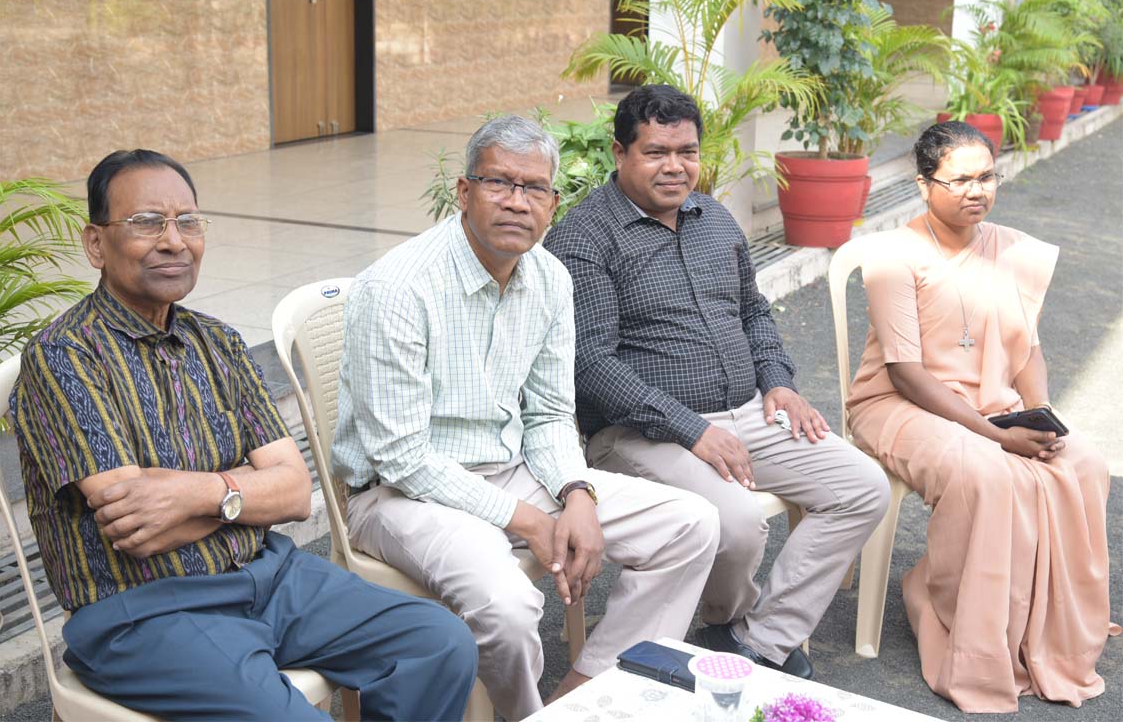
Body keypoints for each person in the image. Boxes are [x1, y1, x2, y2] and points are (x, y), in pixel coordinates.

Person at [10, 150, 478, 721]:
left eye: (188, 221)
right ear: (95, 244)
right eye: (146, 222)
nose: (174, 241)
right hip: (145, 612)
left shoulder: (219, 342)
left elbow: (294, 492)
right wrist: (246, 493)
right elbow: (137, 526)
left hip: (269, 578)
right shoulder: (64, 356)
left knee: (437, 642)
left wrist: (198, 493)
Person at [333, 115, 720, 721]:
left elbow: (549, 414)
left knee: (690, 524)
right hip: (398, 496)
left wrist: (577, 493)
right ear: (464, 192)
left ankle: (581, 698)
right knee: (508, 605)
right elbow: (401, 457)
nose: (517, 202)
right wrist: (529, 520)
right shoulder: (397, 288)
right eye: (499, 183)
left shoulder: (549, 278)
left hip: (512, 471)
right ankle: (524, 713)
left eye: (534, 187)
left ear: (553, 204)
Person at [543, 84, 890, 680]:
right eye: (656, 152)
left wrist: (778, 381)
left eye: (687, 152)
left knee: (862, 485)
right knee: (736, 522)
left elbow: (753, 311)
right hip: (640, 433)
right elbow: (591, 364)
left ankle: (757, 640)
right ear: (620, 153)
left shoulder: (715, 219)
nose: (675, 166)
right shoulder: (584, 238)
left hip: (749, 411)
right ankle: (721, 618)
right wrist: (692, 430)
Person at [846, 121, 1118, 712]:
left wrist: (1037, 416)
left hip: (996, 402)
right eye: (960, 179)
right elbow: (905, 373)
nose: (977, 190)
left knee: (1084, 466)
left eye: (987, 177)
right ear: (924, 184)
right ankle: (950, 612)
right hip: (899, 406)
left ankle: (1042, 629)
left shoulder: (1011, 249)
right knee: (989, 475)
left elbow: (1028, 350)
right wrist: (995, 434)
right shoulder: (894, 255)